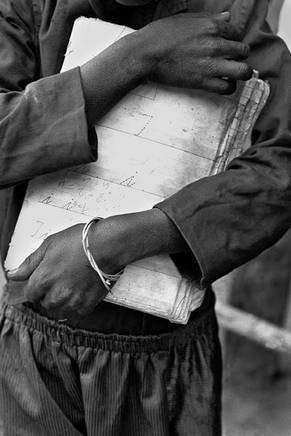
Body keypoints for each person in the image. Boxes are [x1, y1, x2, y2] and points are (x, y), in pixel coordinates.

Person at [0, 0, 290, 435]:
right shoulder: (26, 7)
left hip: (162, 357)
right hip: (33, 339)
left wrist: (126, 240)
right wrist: (139, 56)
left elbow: (283, 163)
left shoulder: (232, 14)